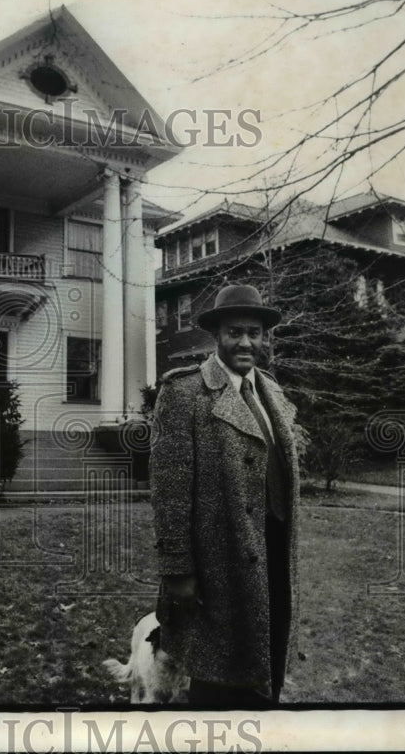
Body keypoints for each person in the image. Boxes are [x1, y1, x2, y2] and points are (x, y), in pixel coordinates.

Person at [150, 284, 300, 707]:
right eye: (235, 332)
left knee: (266, 659)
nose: (246, 342)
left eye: (255, 332)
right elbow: (170, 493)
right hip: (218, 562)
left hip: (272, 552)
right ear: (216, 335)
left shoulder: (272, 392)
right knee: (216, 676)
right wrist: (177, 568)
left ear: (265, 337)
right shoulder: (184, 394)